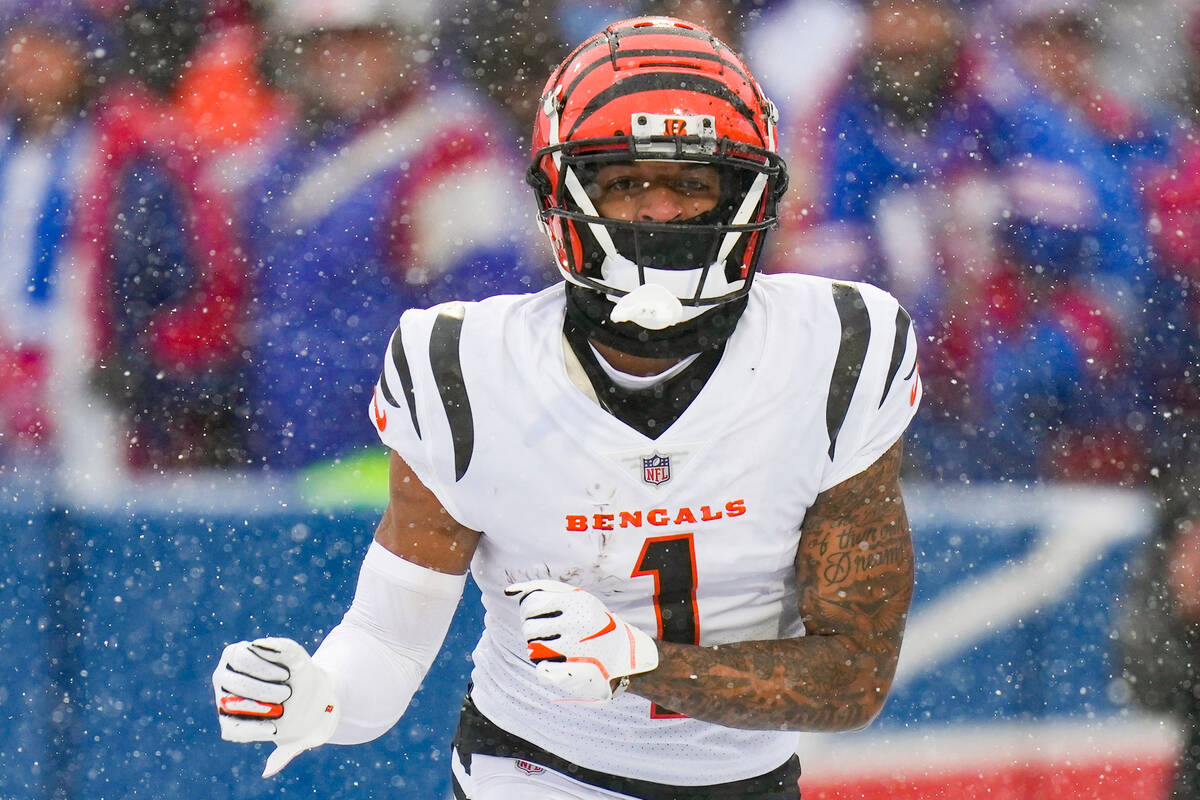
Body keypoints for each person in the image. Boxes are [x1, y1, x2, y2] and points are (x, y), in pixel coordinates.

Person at [212, 17, 922, 799]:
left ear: (747, 192)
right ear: (562, 196)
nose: (658, 211)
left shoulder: (838, 349)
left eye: (690, 183)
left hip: (748, 782)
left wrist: (637, 663)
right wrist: (323, 697)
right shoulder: (468, 369)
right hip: (533, 769)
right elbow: (388, 640)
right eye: (624, 180)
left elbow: (852, 675)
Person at [241, 0, 542, 471]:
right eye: (322, 42)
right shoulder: (287, 152)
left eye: (363, 39)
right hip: (292, 455)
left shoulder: (452, 148)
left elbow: (486, 323)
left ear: (405, 40)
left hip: (396, 463)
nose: (339, 59)